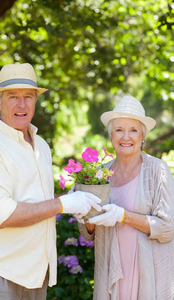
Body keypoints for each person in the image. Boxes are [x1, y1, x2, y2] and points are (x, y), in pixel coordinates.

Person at [0, 63, 102, 300]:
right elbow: (3, 214)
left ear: (35, 101)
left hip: (36, 275)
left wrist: (72, 197)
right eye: (13, 97)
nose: (21, 105)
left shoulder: (41, 145)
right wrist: (63, 205)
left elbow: (38, 203)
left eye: (28, 97)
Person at [78, 95, 174, 300]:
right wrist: (85, 214)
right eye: (119, 130)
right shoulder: (100, 174)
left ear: (142, 136)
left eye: (133, 130)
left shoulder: (157, 170)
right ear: (111, 135)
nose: (126, 137)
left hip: (146, 272)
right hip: (110, 271)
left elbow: (167, 228)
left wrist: (123, 216)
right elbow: (88, 234)